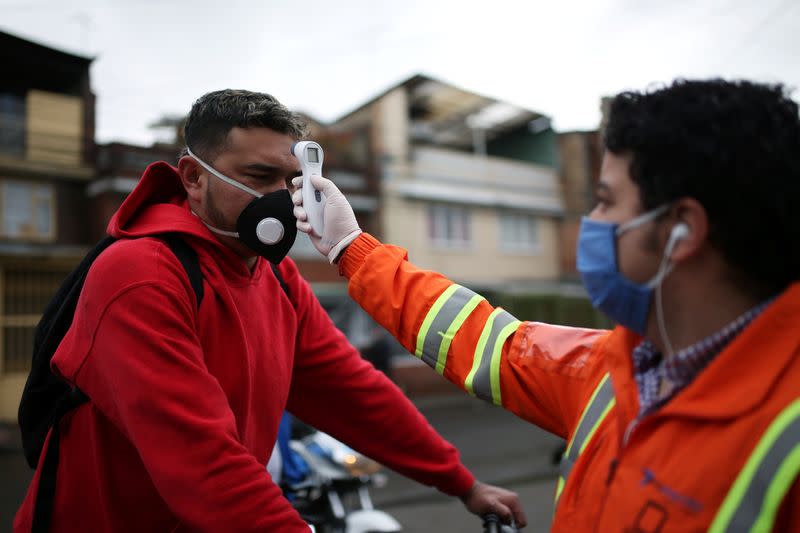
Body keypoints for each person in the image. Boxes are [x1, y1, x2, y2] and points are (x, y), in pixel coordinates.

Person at [292, 79, 800, 532]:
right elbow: (486, 341)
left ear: (680, 230)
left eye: (604, 200)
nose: (589, 223)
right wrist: (350, 247)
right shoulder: (620, 366)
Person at [13, 90, 525, 532]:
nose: (281, 198)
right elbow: (201, 460)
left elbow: (351, 391)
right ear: (193, 177)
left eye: (290, 179)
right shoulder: (139, 275)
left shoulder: (276, 275)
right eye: (259, 177)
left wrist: (462, 482)